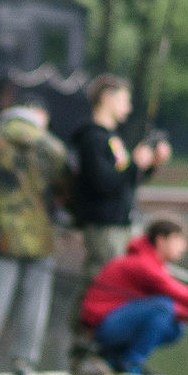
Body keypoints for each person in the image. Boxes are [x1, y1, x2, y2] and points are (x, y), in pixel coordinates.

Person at [0, 100, 71, 375]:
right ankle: (24, 362)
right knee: (35, 301)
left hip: (0, 234)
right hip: (41, 235)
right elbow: (67, 189)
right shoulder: (50, 145)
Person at [75, 216, 188, 375]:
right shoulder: (143, 265)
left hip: (115, 324)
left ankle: (116, 359)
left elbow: (171, 308)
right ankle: (130, 363)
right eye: (179, 240)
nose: (184, 247)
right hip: (100, 330)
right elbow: (180, 294)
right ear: (161, 240)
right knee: (162, 307)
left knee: (175, 327)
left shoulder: (152, 264)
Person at [66, 74, 169, 269]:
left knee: (111, 284)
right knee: (104, 283)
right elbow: (103, 183)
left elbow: (125, 178)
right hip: (104, 225)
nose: (128, 108)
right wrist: (135, 164)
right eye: (123, 101)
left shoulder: (111, 138)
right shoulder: (92, 138)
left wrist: (152, 164)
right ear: (106, 98)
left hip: (118, 223)